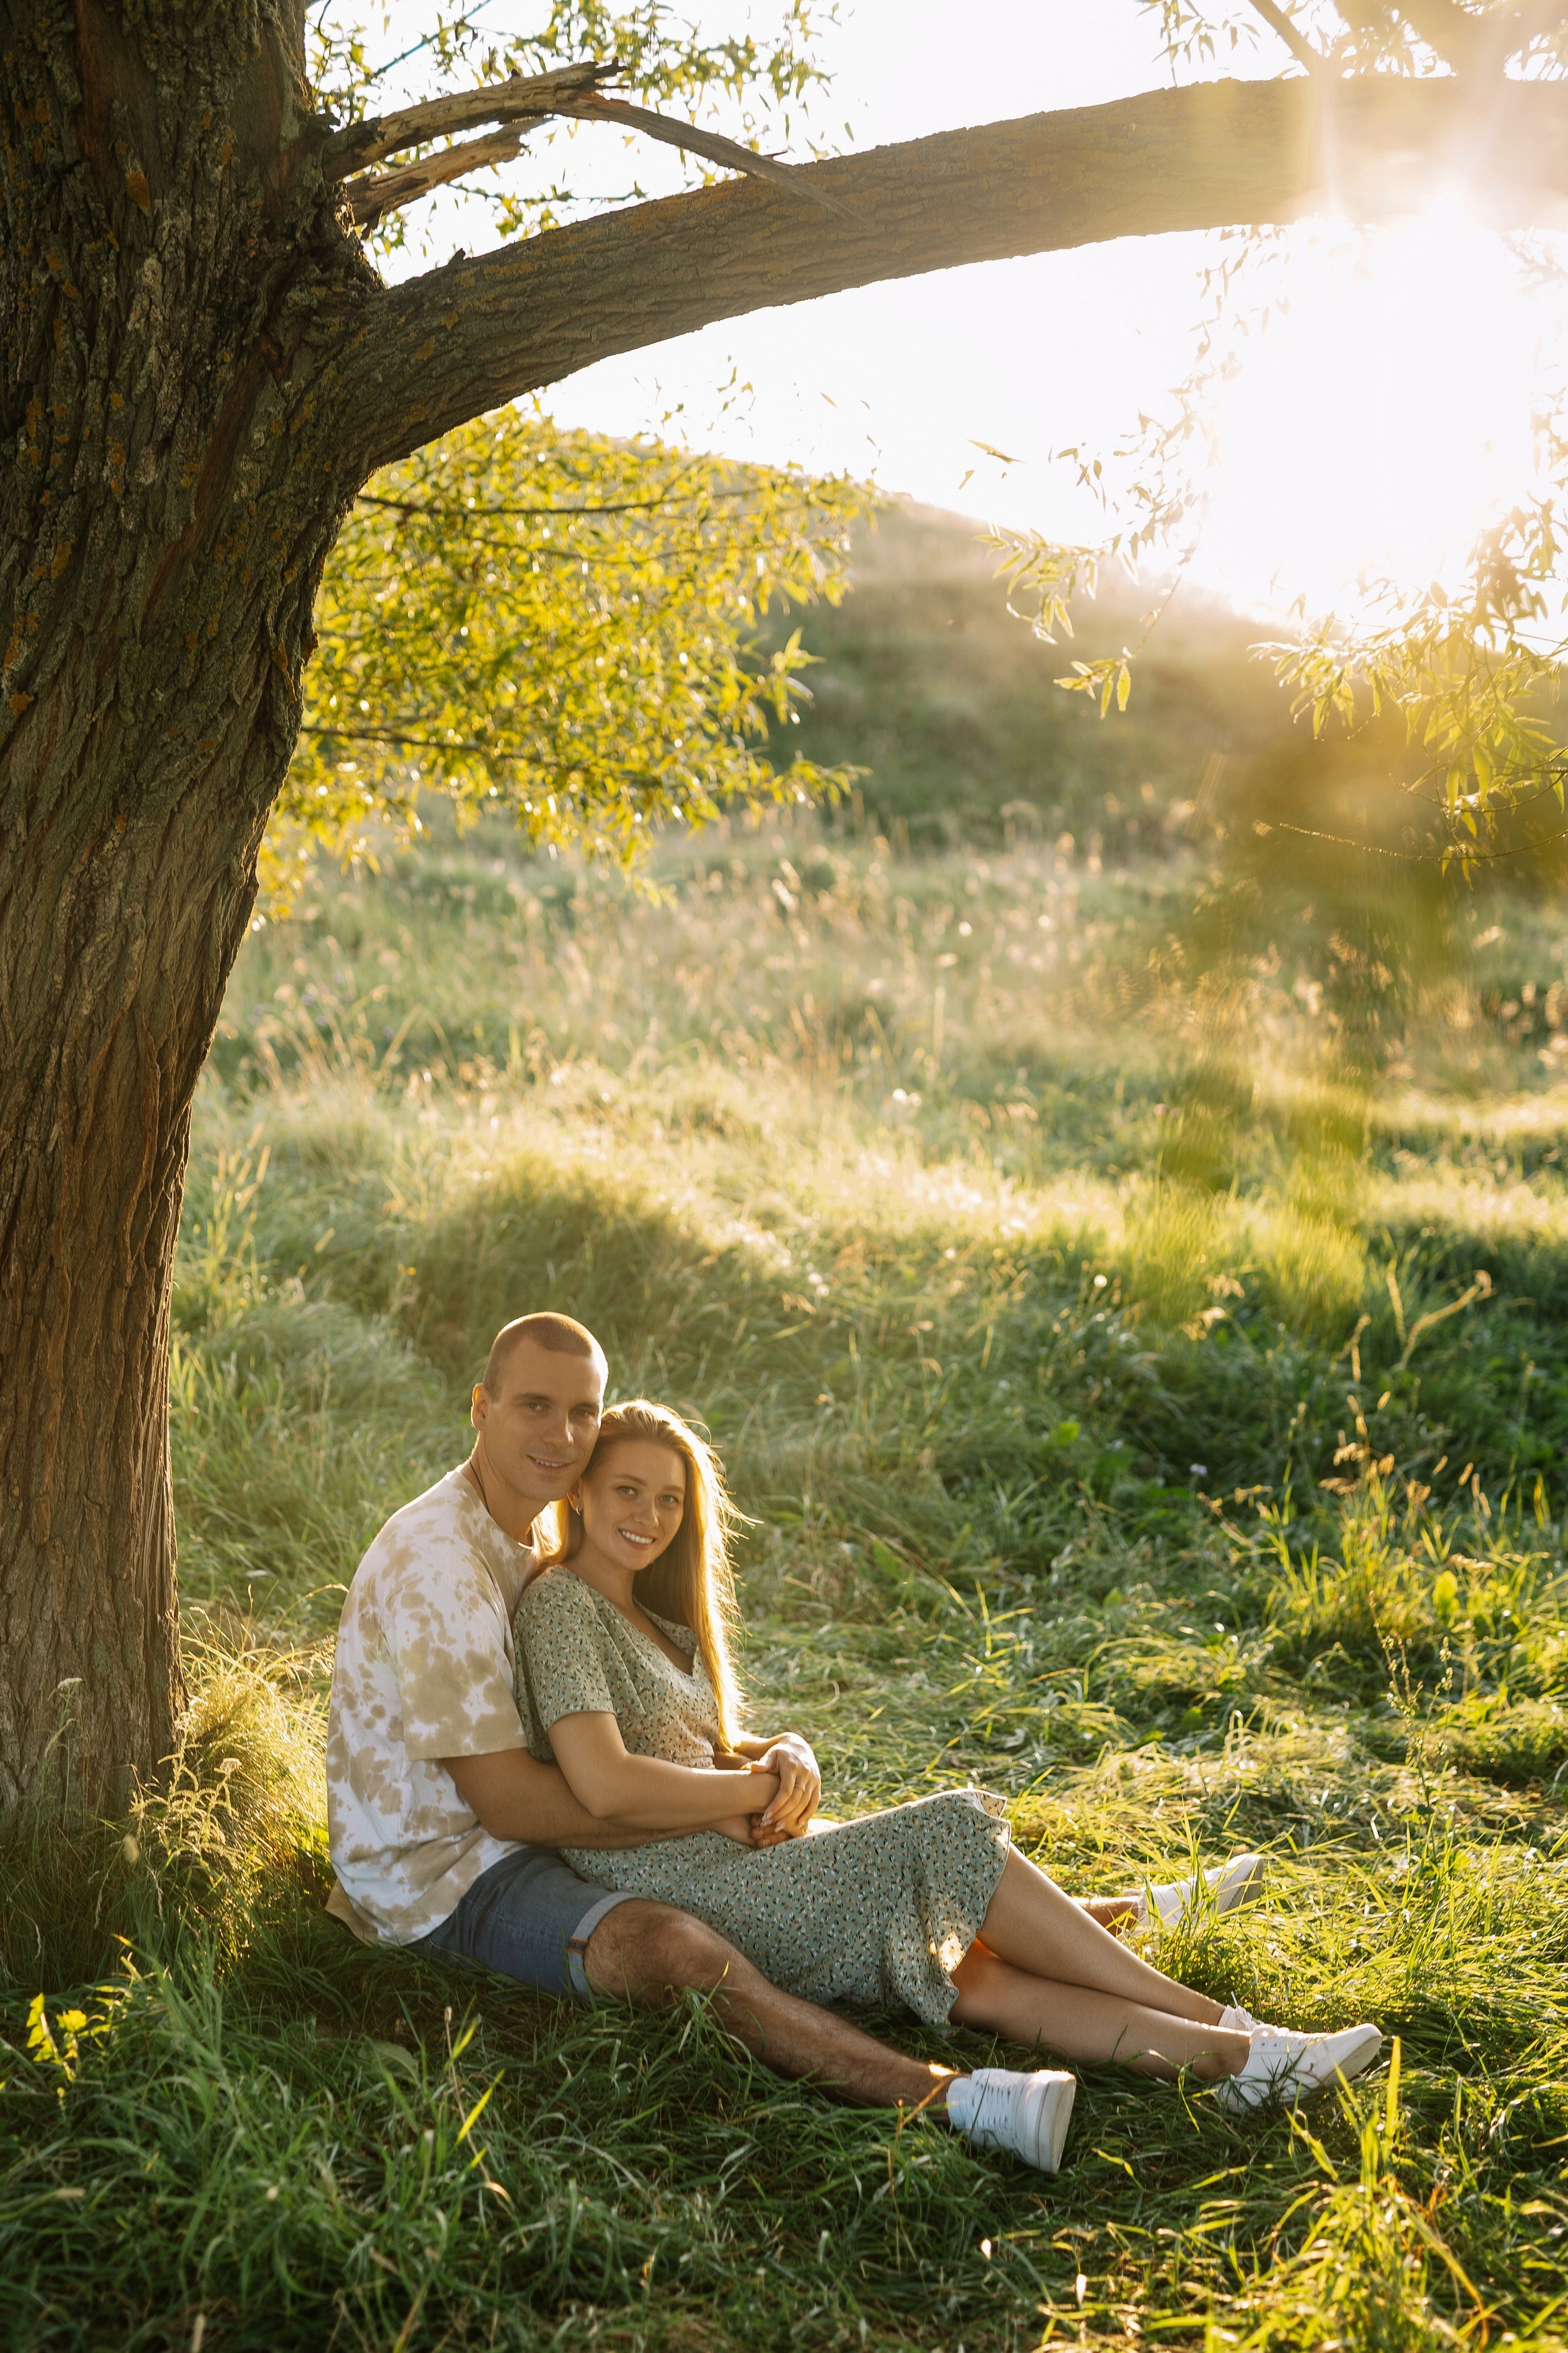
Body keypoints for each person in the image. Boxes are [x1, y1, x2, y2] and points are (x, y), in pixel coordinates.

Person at [323, 1311, 1300, 2176]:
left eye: (582, 1412)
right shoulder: (442, 1567)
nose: (562, 1434)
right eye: (535, 1406)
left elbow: (644, 1732)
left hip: (552, 1824)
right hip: (446, 1877)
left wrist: (766, 1757)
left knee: (856, 1869)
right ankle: (954, 2097)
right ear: (480, 1407)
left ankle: (1109, 1933)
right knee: (678, 1945)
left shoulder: (536, 1540)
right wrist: (740, 1794)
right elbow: (516, 1804)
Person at [511, 1394, 1385, 2165]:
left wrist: (786, 1752)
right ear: (578, 1490)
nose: (650, 1514)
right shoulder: (561, 1606)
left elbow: (698, 1745)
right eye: (627, 1489)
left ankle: (1230, 2067)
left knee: (974, 1975)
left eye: (669, 1498)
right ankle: (1234, 2026)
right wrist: (749, 1796)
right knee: (952, 1831)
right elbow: (608, 1783)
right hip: (687, 1885)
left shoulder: (662, 1618)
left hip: (739, 1857)